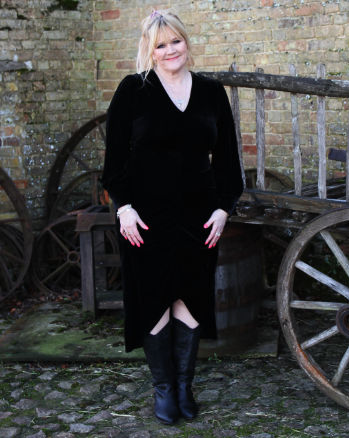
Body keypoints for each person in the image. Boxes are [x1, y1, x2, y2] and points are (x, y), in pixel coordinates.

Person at [101, 9, 244, 425]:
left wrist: (223, 208)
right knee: (154, 297)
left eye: (175, 42)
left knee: (191, 296)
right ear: (150, 49)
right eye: (160, 45)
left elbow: (229, 160)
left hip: (199, 213)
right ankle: (163, 390)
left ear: (186, 42)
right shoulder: (133, 91)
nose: (170, 51)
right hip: (144, 216)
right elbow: (113, 162)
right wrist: (123, 207)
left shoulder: (212, 92)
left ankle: (184, 386)